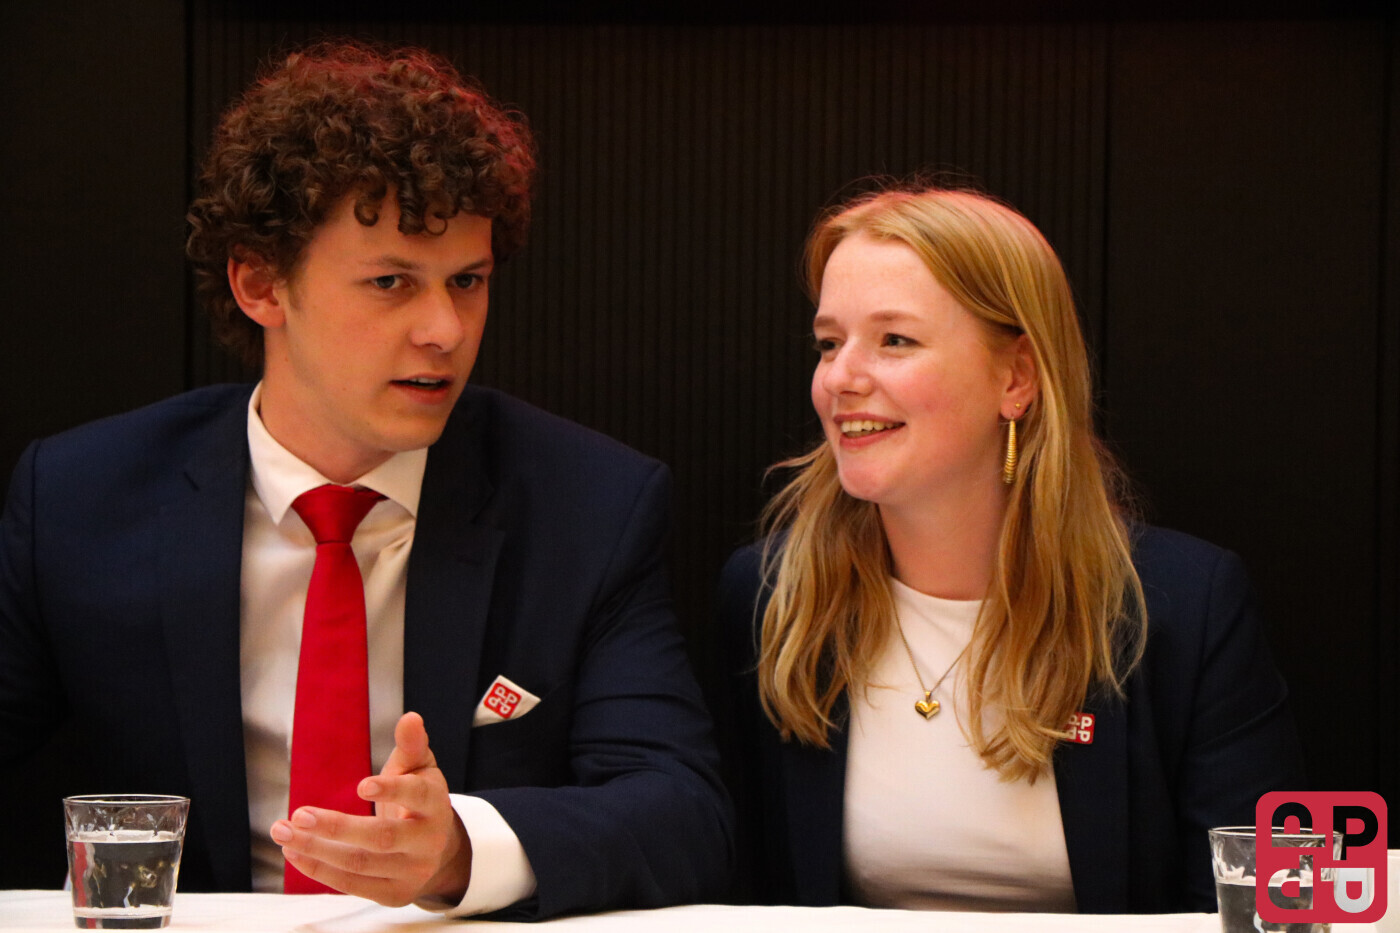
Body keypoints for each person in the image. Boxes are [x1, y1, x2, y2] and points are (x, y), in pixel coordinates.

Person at [0, 41, 731, 919]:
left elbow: (682, 811)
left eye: (468, 281)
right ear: (260, 283)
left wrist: (461, 849)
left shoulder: (587, 504)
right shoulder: (80, 499)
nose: (445, 329)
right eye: (391, 281)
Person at [718, 185, 1304, 914]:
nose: (840, 378)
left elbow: (1271, 906)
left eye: (895, 340)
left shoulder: (1186, 605)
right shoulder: (773, 594)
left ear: (1016, 378)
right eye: (829, 343)